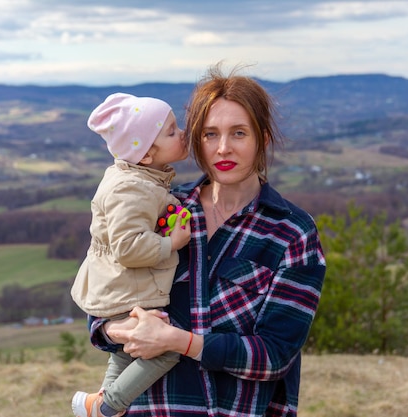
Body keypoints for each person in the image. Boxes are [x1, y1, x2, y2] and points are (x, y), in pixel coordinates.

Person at [88, 64, 327, 417]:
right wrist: (119, 328)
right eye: (210, 134)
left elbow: (275, 356)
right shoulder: (162, 211)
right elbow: (104, 298)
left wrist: (179, 342)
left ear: (262, 138)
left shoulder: (291, 233)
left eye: (239, 134)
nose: (223, 149)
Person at [70, 92, 191, 417]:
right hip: (124, 289)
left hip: (120, 287)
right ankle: (110, 405)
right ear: (147, 154)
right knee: (165, 350)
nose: (182, 134)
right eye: (171, 131)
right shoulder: (131, 188)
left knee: (125, 353)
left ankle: (98, 406)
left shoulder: (138, 178)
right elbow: (128, 247)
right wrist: (172, 243)